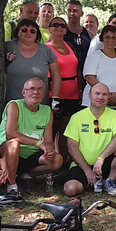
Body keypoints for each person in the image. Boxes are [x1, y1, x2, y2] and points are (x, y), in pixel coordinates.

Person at [0, 78, 63, 196]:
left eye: (40, 89)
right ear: (23, 92)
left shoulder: (47, 111)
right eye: (32, 89)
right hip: (8, 152)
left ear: (44, 94)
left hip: (31, 154)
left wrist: (49, 149)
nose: (36, 92)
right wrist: (39, 143)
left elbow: (49, 139)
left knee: (57, 159)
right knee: (14, 144)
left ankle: (25, 175)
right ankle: (12, 187)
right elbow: (11, 133)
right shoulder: (14, 105)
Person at [63, 83, 116, 196]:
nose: (100, 97)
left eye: (104, 94)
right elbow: (71, 147)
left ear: (108, 97)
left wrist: (101, 158)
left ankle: (110, 181)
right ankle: (88, 182)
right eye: (97, 93)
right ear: (89, 96)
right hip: (82, 165)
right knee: (70, 189)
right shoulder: (77, 117)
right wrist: (87, 171)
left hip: (105, 164)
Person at [46, 17, 82, 158]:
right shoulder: (46, 48)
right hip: (54, 94)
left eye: (62, 25)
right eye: (55, 25)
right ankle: (49, 159)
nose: (59, 28)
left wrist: (80, 89)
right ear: (49, 28)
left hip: (72, 94)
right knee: (52, 129)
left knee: (66, 130)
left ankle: (63, 160)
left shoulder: (70, 46)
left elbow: (76, 68)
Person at [4, 19, 61, 105]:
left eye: (32, 31)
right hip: (12, 104)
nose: (28, 33)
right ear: (17, 32)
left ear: (37, 34)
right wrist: (5, 59)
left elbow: (56, 74)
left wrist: (55, 98)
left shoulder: (46, 50)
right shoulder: (8, 46)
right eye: (24, 30)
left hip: (39, 105)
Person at [82, 26, 116, 115]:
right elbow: (90, 77)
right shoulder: (94, 56)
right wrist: (106, 95)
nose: (111, 40)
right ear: (102, 38)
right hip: (95, 103)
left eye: (114, 37)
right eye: (107, 37)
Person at [64, 0, 92, 81]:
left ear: (81, 13)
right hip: (68, 77)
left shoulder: (90, 34)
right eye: (69, 10)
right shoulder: (60, 33)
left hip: (86, 77)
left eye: (75, 11)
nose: (72, 14)